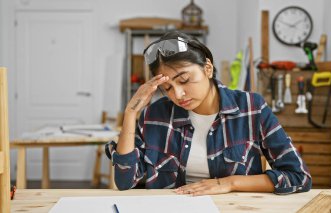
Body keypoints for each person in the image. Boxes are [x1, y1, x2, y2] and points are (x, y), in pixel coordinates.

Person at [105, 31, 311, 196]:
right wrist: (131, 113)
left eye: (184, 80)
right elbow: (125, 182)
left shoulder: (251, 107)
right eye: (167, 88)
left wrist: (228, 183)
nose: (178, 94)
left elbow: (298, 176)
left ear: (208, 68)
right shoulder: (154, 115)